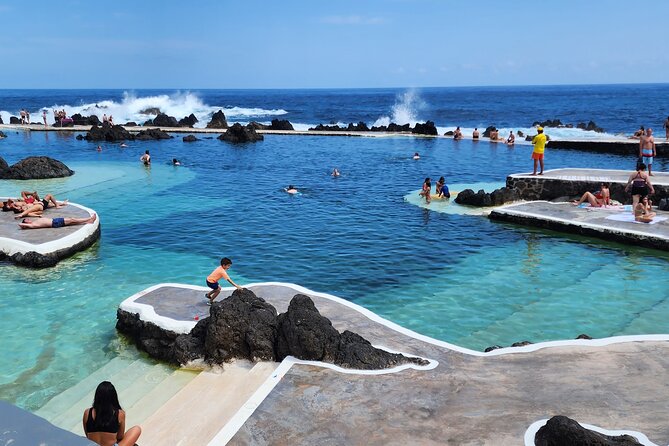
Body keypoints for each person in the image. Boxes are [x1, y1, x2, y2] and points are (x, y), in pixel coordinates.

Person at [82, 381, 141, 446]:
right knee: (137, 429)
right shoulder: (119, 414)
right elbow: (120, 437)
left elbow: (87, 435)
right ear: (114, 397)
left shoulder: (87, 413)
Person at [19, 213, 97, 229]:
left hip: (55, 221)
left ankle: (88, 221)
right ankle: (89, 219)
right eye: (26, 220)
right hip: (55, 223)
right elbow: (20, 224)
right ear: (26, 223)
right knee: (72, 220)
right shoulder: (32, 225)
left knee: (72, 221)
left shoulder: (33, 223)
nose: (28, 219)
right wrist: (25, 225)